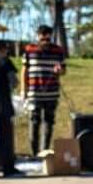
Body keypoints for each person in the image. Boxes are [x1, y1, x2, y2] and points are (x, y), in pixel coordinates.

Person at [22, 24, 66, 156]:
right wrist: (23, 91)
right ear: (38, 36)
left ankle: (44, 152)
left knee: (49, 123)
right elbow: (24, 70)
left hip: (52, 93)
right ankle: (34, 152)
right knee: (34, 122)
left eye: (48, 38)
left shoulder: (58, 50)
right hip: (34, 93)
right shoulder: (29, 49)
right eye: (43, 38)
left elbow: (64, 70)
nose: (45, 41)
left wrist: (60, 70)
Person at [0, 44, 21, 177]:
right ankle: (8, 168)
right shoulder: (6, 62)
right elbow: (14, 81)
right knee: (6, 138)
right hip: (4, 104)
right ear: (2, 50)